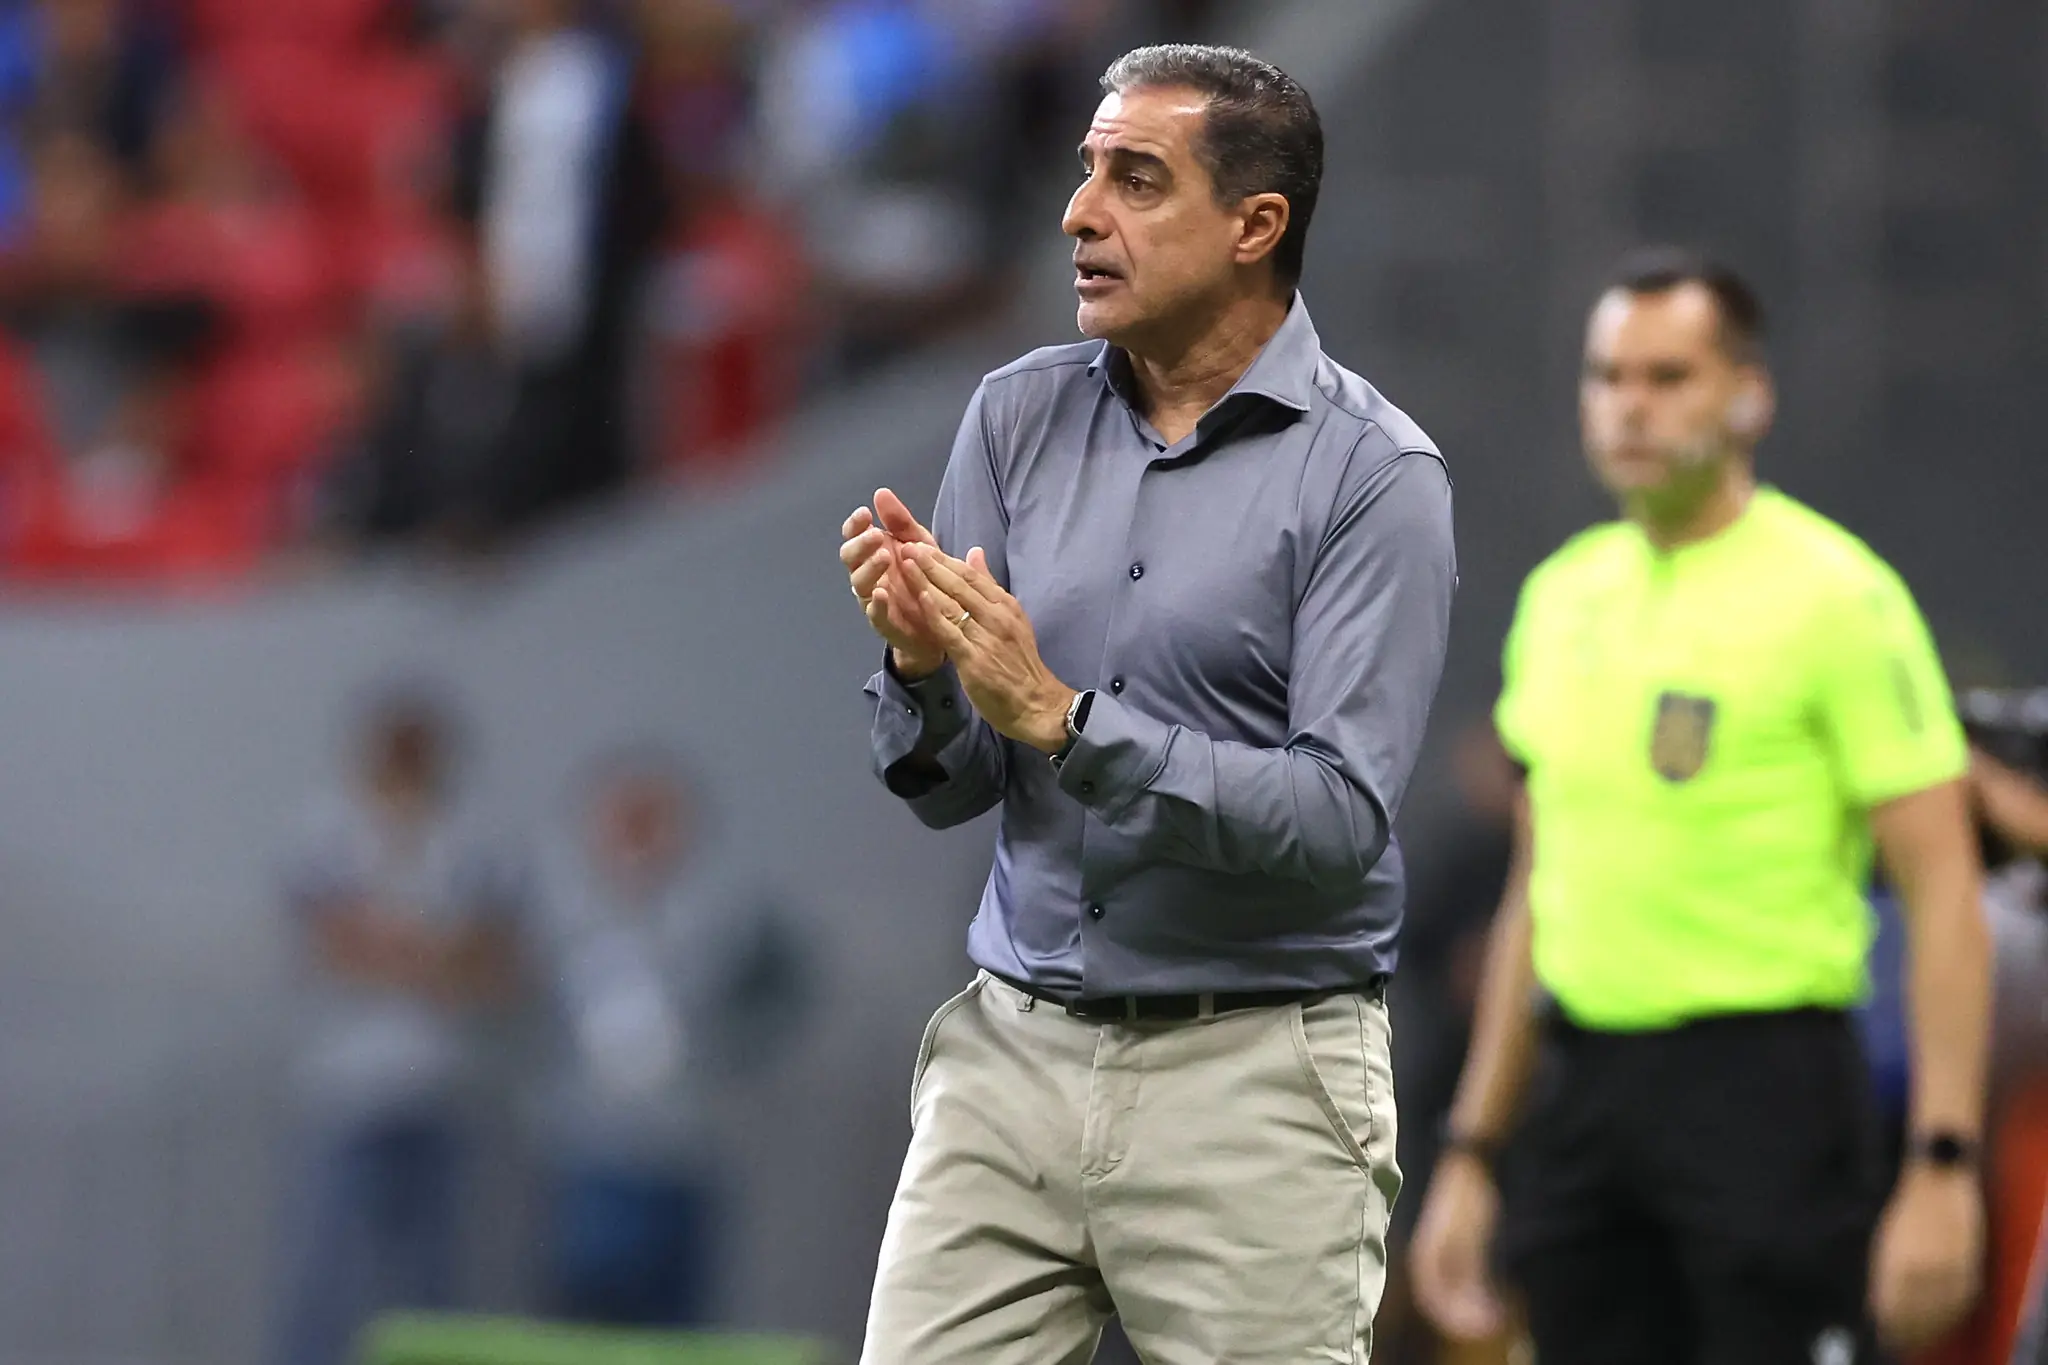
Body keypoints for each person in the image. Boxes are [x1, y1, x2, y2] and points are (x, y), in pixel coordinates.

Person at [838, 43, 1456, 1365]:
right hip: (1009, 1057)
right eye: (1085, 173)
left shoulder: (1374, 477)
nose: (1078, 214)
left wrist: (1067, 721)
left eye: (1135, 180)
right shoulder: (1010, 418)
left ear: (1254, 226)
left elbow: (1336, 819)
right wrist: (923, 673)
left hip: (1255, 1081)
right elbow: (952, 791)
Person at [1407, 249, 1992, 1365]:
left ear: (1748, 395)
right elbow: (1539, 885)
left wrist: (1943, 1163)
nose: (1631, 405)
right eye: (1608, 376)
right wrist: (1473, 1154)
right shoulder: (1563, 596)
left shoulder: (1838, 597)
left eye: (1668, 376)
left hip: (1766, 1097)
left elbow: (1944, 888)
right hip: (1581, 1101)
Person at [271, 684, 521, 1365]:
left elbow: (496, 963)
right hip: (345, 1089)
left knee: (431, 1282)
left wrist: (398, 948)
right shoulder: (326, 829)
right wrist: (438, 953)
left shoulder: (474, 839)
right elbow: (336, 944)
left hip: (438, 1089)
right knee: (325, 1277)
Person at [526, 745, 805, 1327]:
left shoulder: (722, 921)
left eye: (654, 819)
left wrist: (732, 1055)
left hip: (684, 1153)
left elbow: (780, 997)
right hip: (587, 1153)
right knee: (588, 1312)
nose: (639, 836)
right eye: (625, 818)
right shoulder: (554, 914)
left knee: (675, 1320)